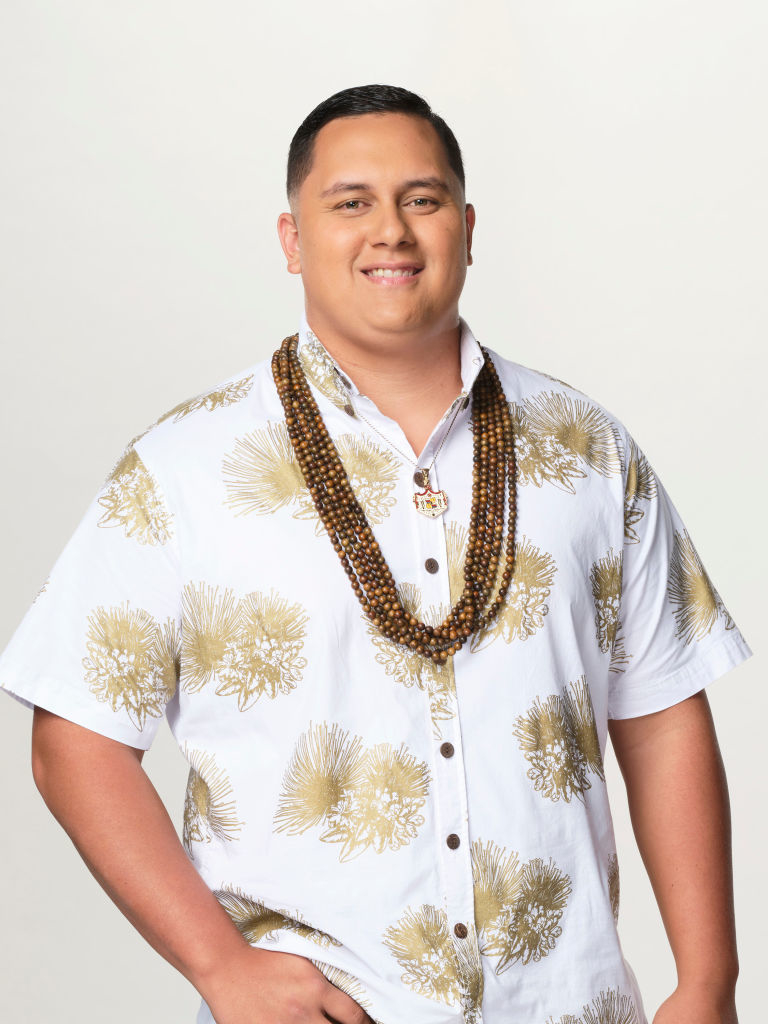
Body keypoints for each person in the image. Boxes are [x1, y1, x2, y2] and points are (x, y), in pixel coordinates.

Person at [0, 84, 751, 1024]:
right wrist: (220, 968)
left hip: (567, 1003)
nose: (389, 230)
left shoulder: (589, 451)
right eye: (350, 202)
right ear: (291, 238)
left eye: (422, 199)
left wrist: (708, 980)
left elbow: (664, 713)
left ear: (467, 228)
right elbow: (74, 740)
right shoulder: (182, 470)